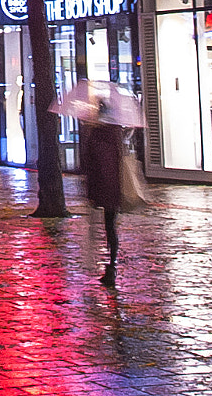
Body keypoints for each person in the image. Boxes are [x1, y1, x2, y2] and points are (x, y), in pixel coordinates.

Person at [81, 104, 127, 286]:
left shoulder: (97, 135)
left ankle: (108, 267)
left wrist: (91, 191)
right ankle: (111, 264)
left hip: (102, 188)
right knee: (110, 227)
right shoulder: (115, 134)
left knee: (102, 227)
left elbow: (94, 165)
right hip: (114, 188)